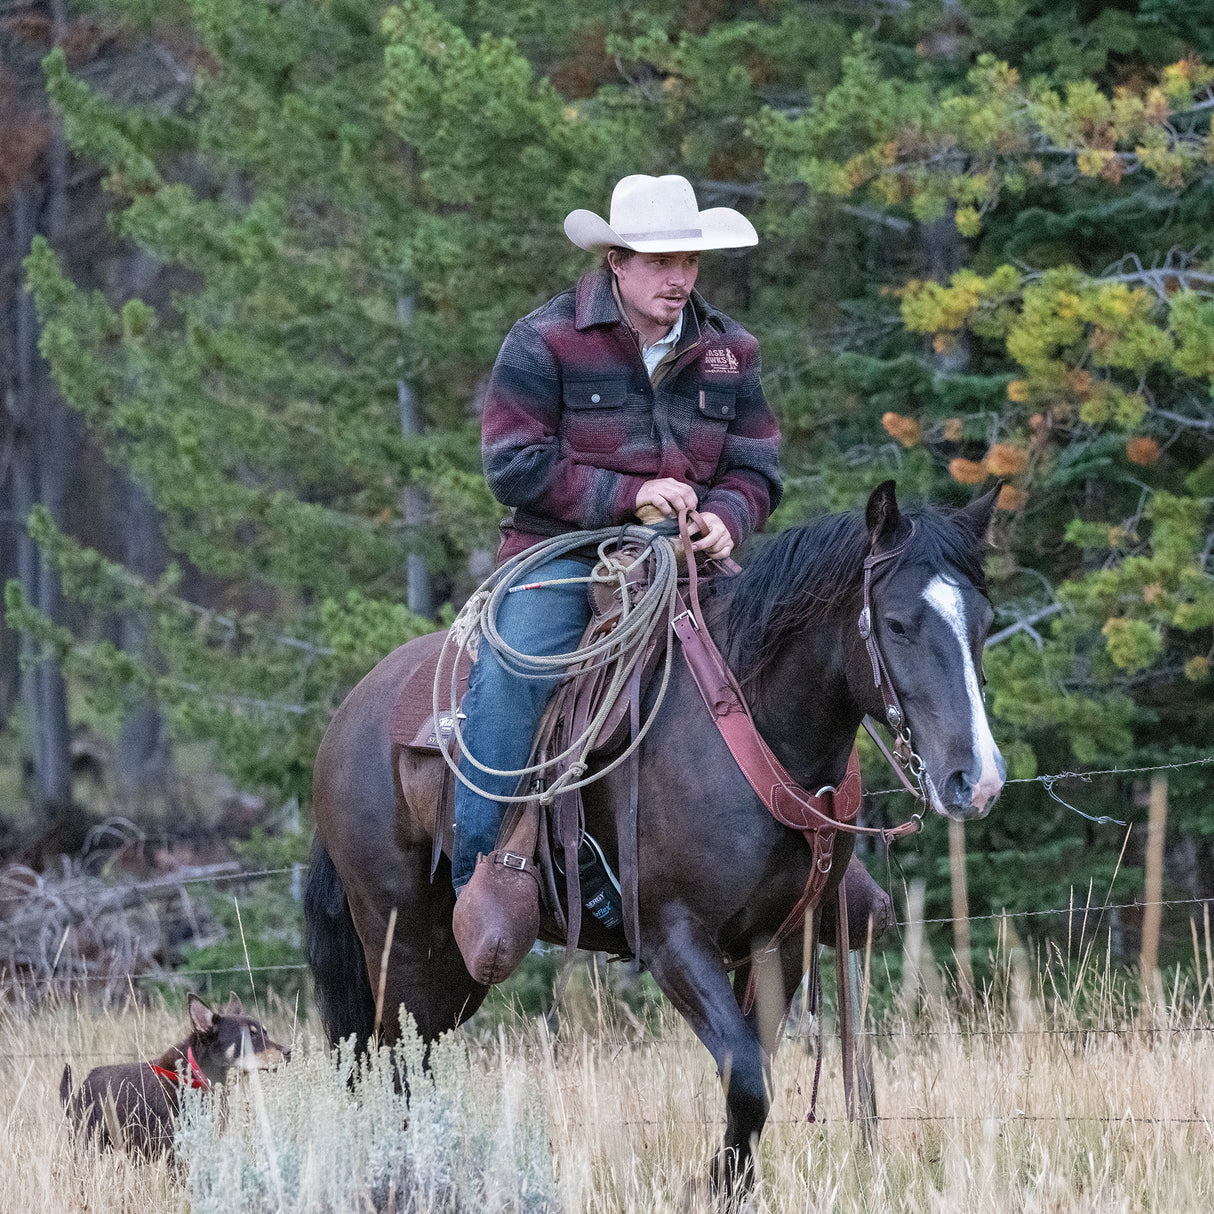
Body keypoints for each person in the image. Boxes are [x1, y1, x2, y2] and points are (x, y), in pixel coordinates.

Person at [452, 174, 783, 964]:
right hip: (560, 556)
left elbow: (758, 468)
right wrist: (631, 496)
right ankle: (477, 870)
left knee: (788, 654)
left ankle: (806, 855)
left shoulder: (732, 351)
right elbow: (513, 465)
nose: (680, 280)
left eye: (690, 263)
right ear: (617, 262)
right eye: (662, 262)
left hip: (689, 562)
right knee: (518, 669)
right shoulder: (543, 340)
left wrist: (722, 517)